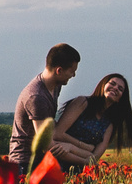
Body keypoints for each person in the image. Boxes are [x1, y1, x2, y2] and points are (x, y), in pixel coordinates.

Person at [9, 44, 81, 175]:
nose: (74, 75)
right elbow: (46, 145)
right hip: (25, 164)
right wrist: (85, 159)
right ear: (58, 70)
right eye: (72, 71)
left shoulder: (55, 86)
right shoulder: (37, 97)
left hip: (40, 160)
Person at [50, 73, 132, 172]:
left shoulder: (109, 124)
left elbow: (94, 157)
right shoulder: (82, 103)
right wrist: (88, 148)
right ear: (103, 85)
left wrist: (71, 147)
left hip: (80, 173)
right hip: (57, 162)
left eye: (120, 89)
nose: (115, 88)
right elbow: (58, 134)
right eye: (112, 83)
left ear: (120, 99)